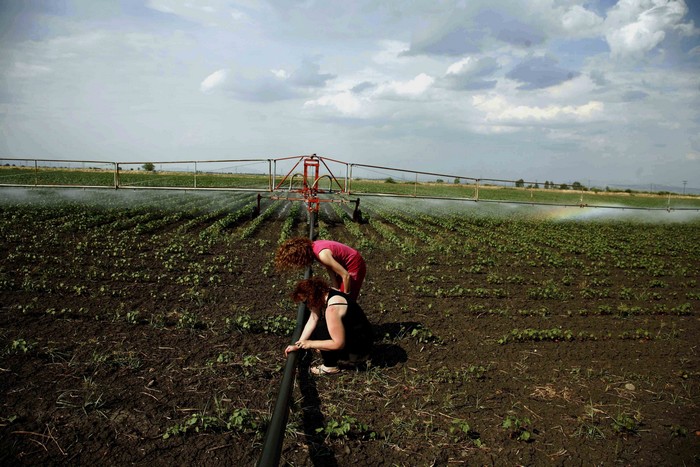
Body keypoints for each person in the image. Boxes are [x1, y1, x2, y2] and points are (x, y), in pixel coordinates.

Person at [284, 277, 374, 375]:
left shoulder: (332, 310)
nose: (307, 305)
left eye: (306, 302)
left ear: (312, 297)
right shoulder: (327, 293)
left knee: (321, 328)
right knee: (319, 327)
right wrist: (298, 345)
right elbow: (313, 319)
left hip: (359, 348)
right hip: (361, 336)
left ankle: (330, 366)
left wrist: (310, 344)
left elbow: (338, 344)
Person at [275, 237, 366, 301]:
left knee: (346, 297)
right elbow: (329, 267)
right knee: (339, 293)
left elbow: (346, 275)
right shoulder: (314, 246)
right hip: (346, 264)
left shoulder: (322, 255)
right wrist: (336, 287)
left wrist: (345, 299)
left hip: (354, 264)